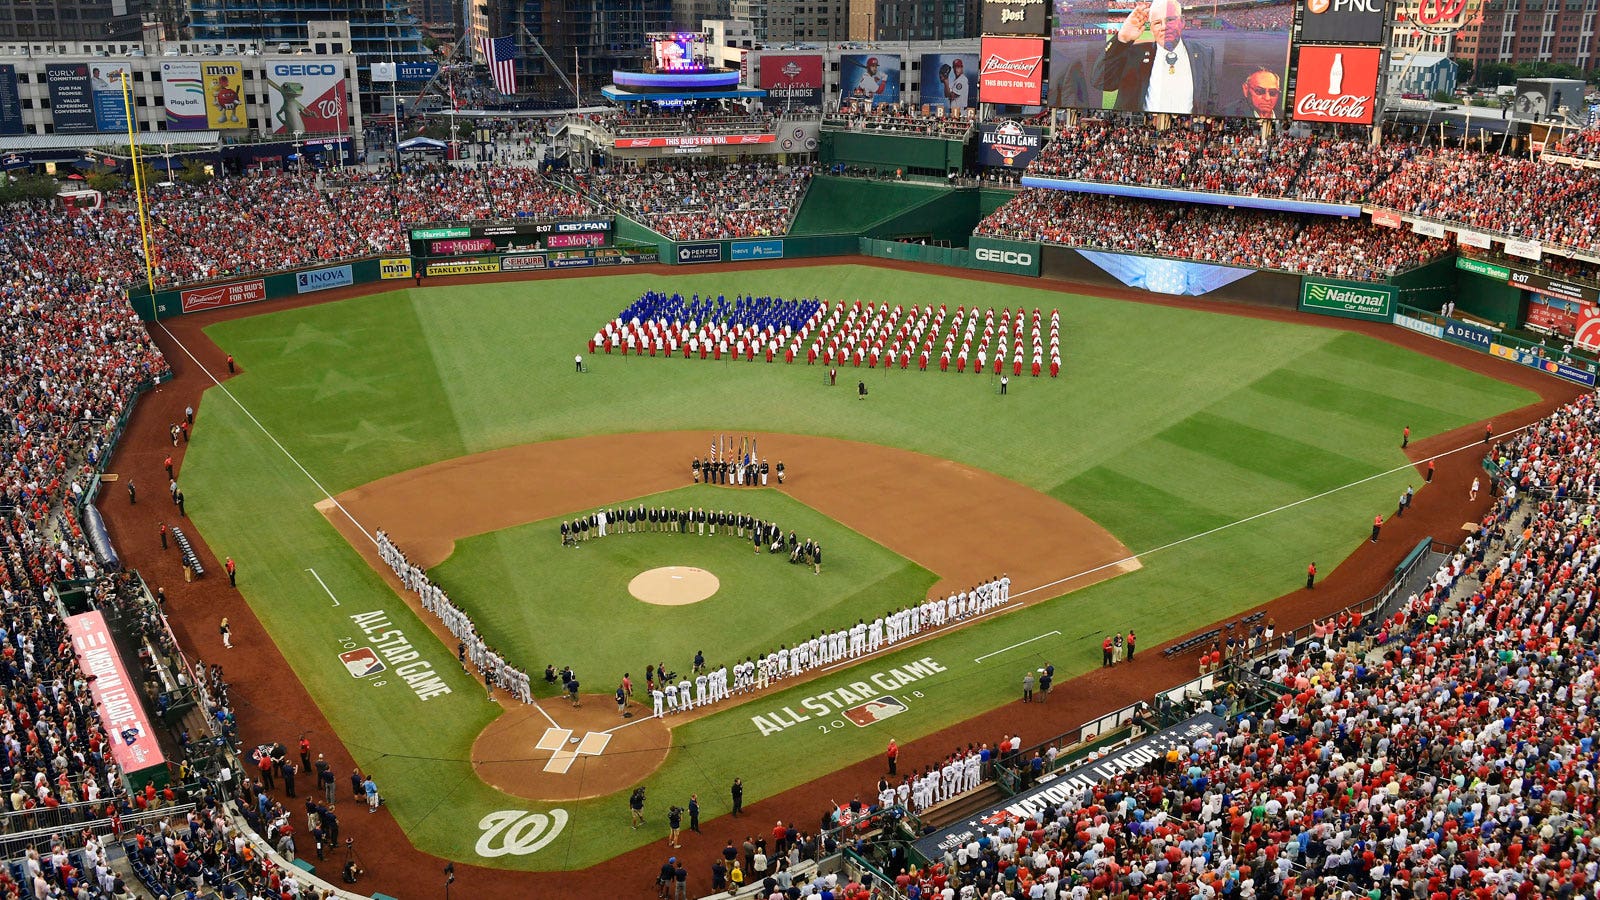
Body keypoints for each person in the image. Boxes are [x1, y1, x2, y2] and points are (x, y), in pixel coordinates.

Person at [1093, 0, 1215, 114]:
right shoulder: (1135, 54)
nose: (1164, 27)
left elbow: (1211, 99)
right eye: (1157, 23)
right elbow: (1101, 82)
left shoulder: (1205, 53)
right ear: (1151, 28)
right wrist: (1122, 39)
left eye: (1170, 20)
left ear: (1182, 22)